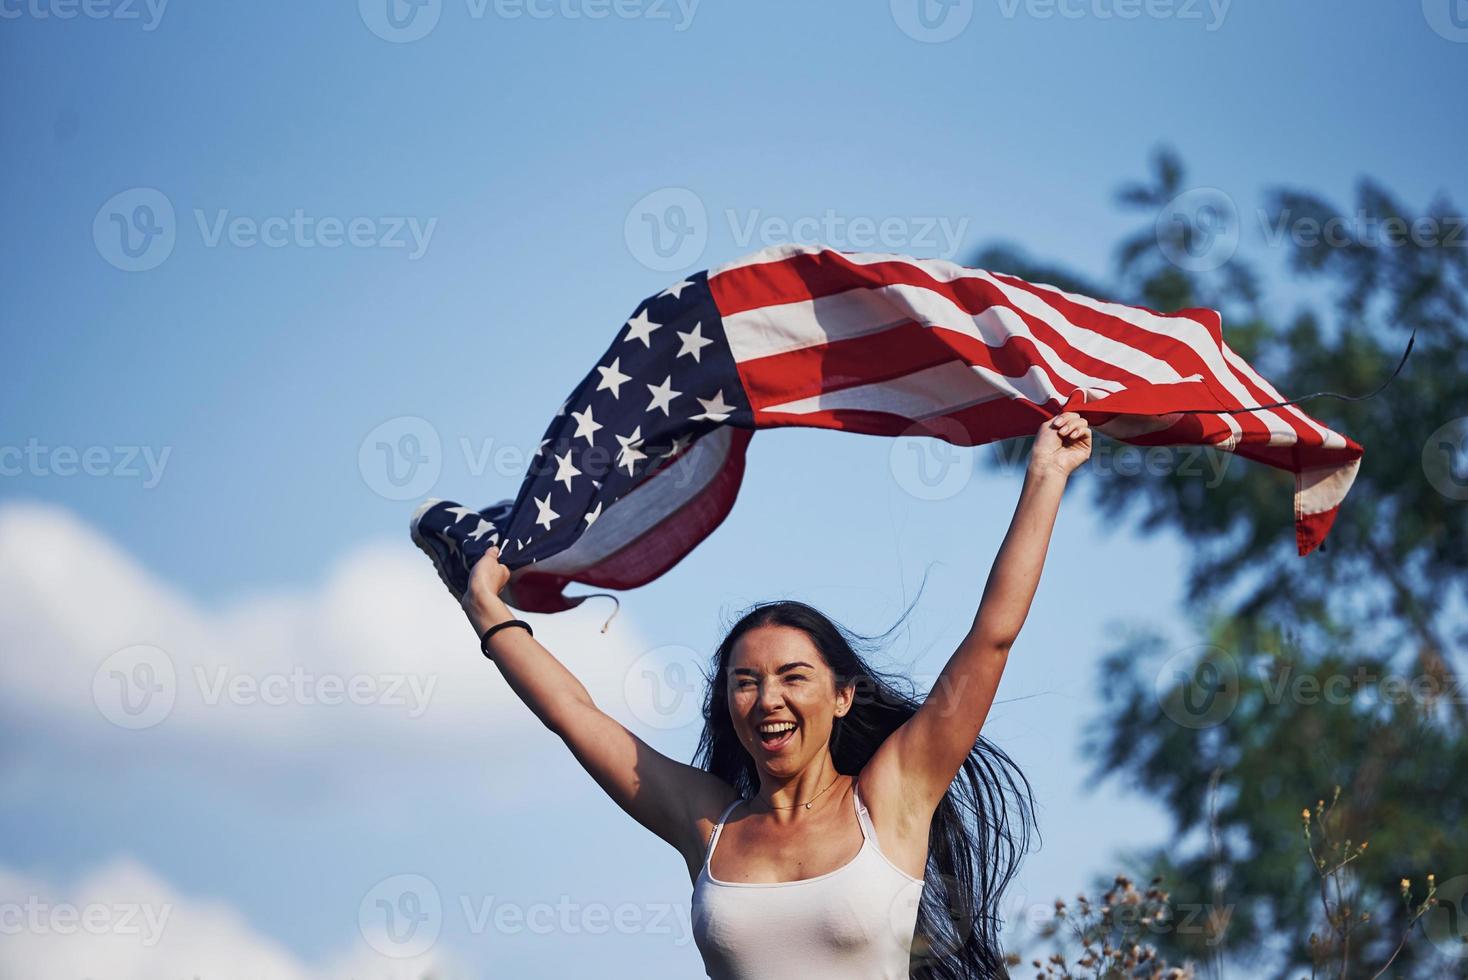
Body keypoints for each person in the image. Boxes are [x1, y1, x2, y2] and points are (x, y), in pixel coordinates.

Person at [458, 412, 1093, 978]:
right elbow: (574, 714)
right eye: (746, 682)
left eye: (794, 677)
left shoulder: (891, 798)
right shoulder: (707, 821)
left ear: (842, 696)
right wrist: (488, 610)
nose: (768, 700)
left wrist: (1046, 474)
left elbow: (991, 639)